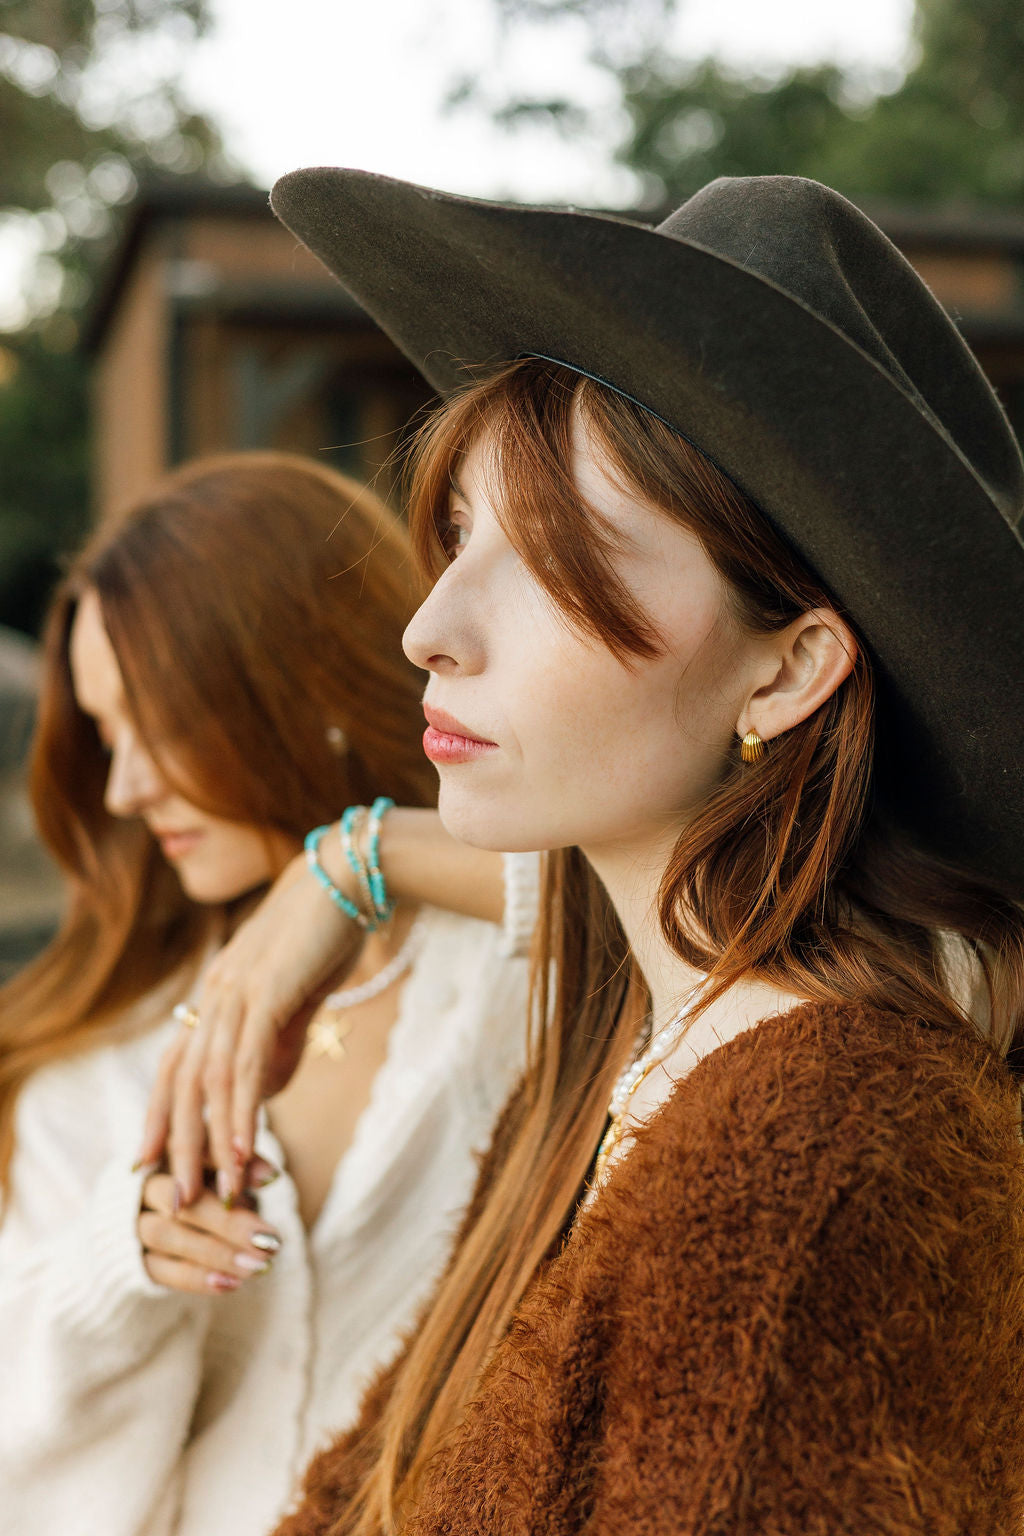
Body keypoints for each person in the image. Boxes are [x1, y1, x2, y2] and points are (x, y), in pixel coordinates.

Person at [148, 172, 1024, 1531]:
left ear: (788, 671)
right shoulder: (630, 1065)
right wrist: (341, 864)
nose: (431, 623)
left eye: (560, 560)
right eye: (459, 532)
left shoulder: (827, 1160)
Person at [0, 451, 537, 1536]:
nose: (125, 786)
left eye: (160, 723)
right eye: (107, 733)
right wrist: (121, 1267)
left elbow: (719, 910)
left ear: (301, 681)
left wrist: (359, 858)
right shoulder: (93, 1063)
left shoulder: (518, 980)